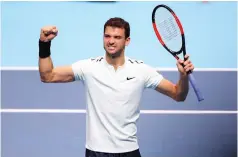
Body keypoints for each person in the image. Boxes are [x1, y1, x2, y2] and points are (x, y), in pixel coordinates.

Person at [38, 17, 194, 157]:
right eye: (107, 36)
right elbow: (48, 75)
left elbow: (178, 95)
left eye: (117, 37)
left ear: (127, 41)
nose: (111, 41)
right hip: (96, 151)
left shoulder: (141, 71)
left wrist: (183, 76)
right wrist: (44, 43)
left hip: (129, 151)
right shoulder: (88, 67)